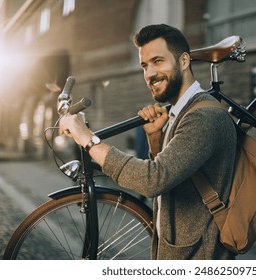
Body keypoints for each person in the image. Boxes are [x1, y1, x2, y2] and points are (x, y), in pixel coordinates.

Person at [59, 24, 237, 260]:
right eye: (145, 65)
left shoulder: (204, 117)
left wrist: (88, 139)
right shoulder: (180, 112)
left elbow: (153, 180)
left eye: (158, 61)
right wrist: (155, 139)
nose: (150, 73)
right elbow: (173, 176)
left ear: (184, 61)